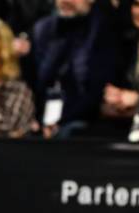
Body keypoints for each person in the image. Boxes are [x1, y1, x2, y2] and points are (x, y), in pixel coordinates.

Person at [33, 0, 118, 138]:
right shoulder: (43, 28)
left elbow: (96, 91)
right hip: (45, 114)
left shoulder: (103, 30)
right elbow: (36, 81)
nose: (65, 1)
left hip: (85, 120)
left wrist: (60, 121)